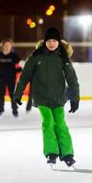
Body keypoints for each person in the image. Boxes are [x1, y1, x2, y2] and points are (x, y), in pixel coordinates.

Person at [14, 27, 80, 167]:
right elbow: (24, 76)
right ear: (44, 42)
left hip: (58, 98)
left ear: (59, 42)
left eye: (54, 41)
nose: (51, 43)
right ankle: (51, 152)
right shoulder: (36, 57)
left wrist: (75, 99)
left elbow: (72, 80)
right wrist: (18, 94)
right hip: (42, 98)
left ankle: (67, 154)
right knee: (48, 122)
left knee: (61, 124)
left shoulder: (63, 59)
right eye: (49, 40)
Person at [0, 38, 21, 117]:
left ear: (11, 46)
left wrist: (18, 70)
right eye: (5, 45)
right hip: (1, 79)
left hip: (11, 79)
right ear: (3, 46)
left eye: (9, 45)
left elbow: (21, 64)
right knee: (1, 94)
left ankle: (15, 111)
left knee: (12, 95)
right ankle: (1, 109)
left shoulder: (14, 56)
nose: (7, 47)